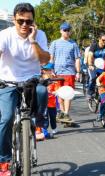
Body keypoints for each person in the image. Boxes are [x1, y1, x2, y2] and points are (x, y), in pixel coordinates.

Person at [0, 3, 49, 174]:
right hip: (8, 82)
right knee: (6, 119)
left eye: (28, 22)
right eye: (20, 21)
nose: (24, 25)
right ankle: (4, 161)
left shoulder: (39, 35)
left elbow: (44, 60)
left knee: (43, 91)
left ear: (33, 22)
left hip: (31, 81)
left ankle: (39, 122)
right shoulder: (4, 35)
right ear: (14, 20)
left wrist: (33, 40)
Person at [49, 22, 81, 121]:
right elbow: (51, 57)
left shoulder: (73, 44)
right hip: (57, 73)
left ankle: (66, 113)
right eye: (65, 30)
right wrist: (51, 69)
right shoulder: (54, 43)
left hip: (69, 72)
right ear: (61, 31)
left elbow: (77, 59)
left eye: (68, 30)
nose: (67, 32)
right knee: (59, 94)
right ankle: (62, 112)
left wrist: (78, 72)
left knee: (68, 93)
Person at [87, 33, 105, 98]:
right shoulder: (94, 46)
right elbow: (90, 56)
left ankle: (103, 94)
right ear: (99, 39)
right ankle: (90, 92)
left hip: (102, 66)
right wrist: (90, 65)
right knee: (93, 78)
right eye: (103, 40)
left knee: (104, 79)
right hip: (93, 65)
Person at [41, 63, 59, 136]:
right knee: (44, 116)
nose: (46, 71)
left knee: (52, 116)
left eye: (48, 70)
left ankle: (54, 128)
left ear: (51, 70)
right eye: (45, 70)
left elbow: (57, 88)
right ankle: (44, 129)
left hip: (52, 102)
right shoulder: (41, 78)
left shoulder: (54, 78)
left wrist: (55, 92)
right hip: (43, 102)